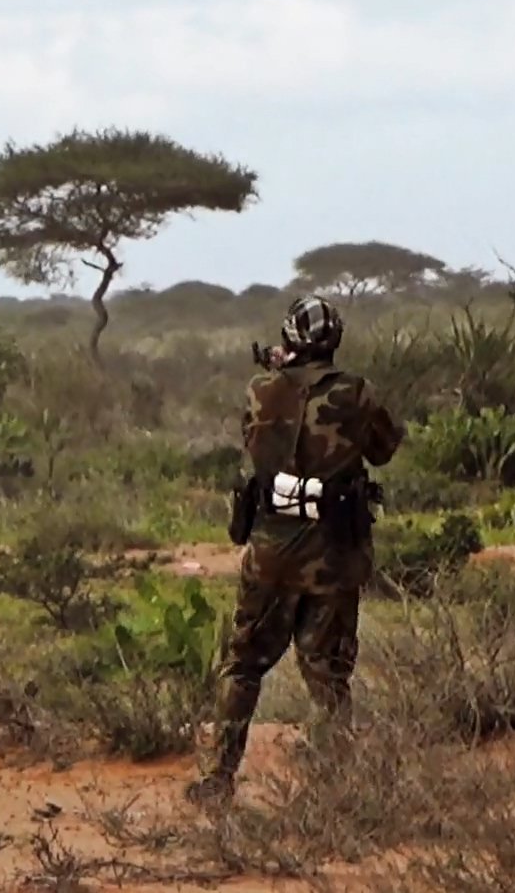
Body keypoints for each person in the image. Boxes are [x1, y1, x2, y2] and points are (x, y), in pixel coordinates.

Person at [189, 295, 405, 805]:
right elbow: (383, 449)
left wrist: (280, 378)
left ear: (288, 339)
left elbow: (256, 441)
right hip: (334, 554)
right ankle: (333, 790)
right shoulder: (357, 392)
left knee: (243, 664)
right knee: (328, 674)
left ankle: (218, 778)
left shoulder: (261, 389)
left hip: (271, 552)